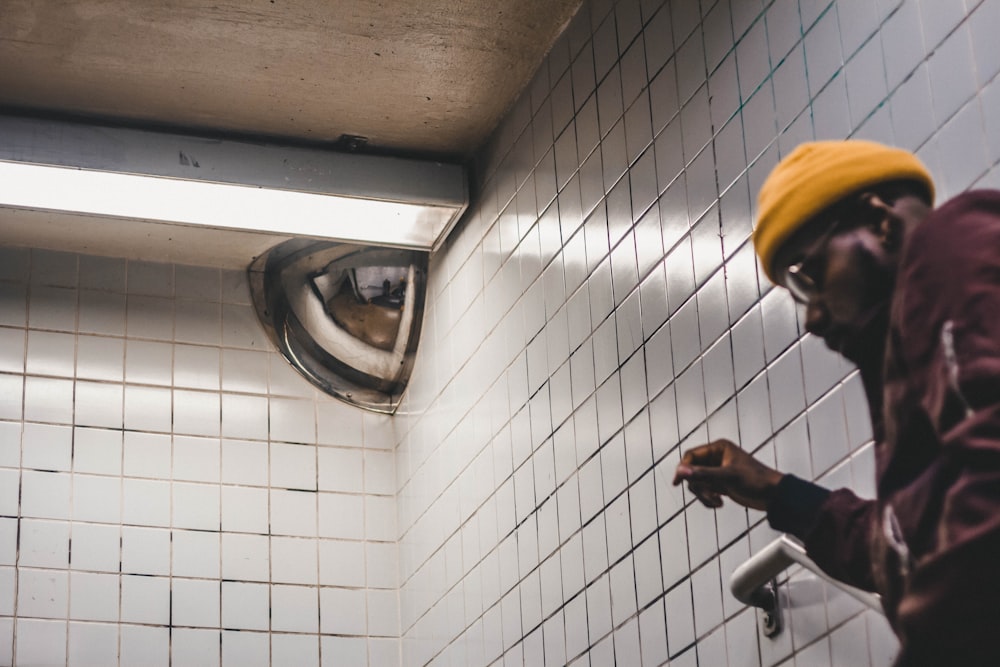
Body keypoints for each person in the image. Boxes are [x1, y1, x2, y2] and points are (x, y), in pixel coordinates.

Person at [671, 140, 1000, 666]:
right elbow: (902, 548)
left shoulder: (950, 245)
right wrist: (779, 493)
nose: (811, 318)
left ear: (880, 222)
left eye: (808, 276)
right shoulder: (910, 369)